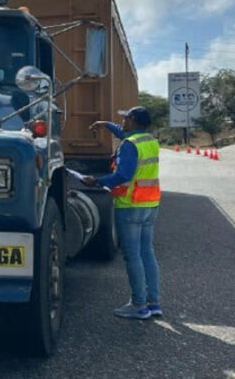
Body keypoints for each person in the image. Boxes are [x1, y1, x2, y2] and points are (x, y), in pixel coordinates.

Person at [81, 106, 162, 320]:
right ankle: (153, 303)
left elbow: (123, 174)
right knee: (147, 252)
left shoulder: (129, 145)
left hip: (130, 205)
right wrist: (105, 125)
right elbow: (122, 133)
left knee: (132, 255)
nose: (123, 122)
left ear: (133, 120)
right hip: (150, 203)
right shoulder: (149, 140)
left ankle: (138, 305)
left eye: (125, 118)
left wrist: (96, 181)